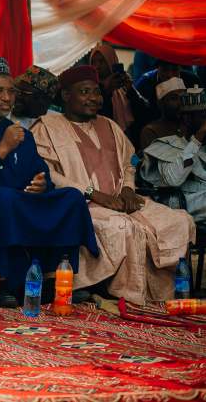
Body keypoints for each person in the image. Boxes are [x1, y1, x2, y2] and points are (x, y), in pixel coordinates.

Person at [31, 66, 195, 305]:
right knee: (124, 227)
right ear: (66, 96)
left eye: (96, 92)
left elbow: (131, 162)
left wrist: (128, 188)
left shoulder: (110, 125)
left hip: (121, 199)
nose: (94, 99)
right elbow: (49, 174)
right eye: (85, 92)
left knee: (179, 220)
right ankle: (121, 293)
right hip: (81, 204)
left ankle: (163, 293)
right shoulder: (46, 127)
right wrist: (94, 194)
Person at [0, 58, 98, 306]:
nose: (7, 98)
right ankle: (2, 280)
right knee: (3, 198)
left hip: (20, 200)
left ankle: (53, 279)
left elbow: (40, 171)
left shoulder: (20, 133)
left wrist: (42, 183)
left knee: (71, 197)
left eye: (11, 91)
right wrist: (1, 150)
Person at [141, 88, 206, 225]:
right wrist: (197, 139)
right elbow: (173, 179)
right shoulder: (166, 144)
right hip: (185, 207)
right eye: (203, 117)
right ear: (187, 119)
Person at [89, 44, 150, 145]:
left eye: (101, 61)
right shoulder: (89, 89)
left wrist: (131, 90)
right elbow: (96, 118)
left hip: (129, 142)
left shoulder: (123, 87)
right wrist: (107, 91)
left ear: (111, 61)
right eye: (93, 62)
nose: (97, 66)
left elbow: (143, 113)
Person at [134, 59, 200, 117]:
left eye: (175, 70)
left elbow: (200, 113)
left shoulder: (192, 80)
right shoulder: (144, 83)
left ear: (180, 68)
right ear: (157, 68)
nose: (170, 75)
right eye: (164, 70)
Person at [139, 77, 186, 151]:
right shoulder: (151, 131)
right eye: (174, 98)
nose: (180, 103)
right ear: (160, 104)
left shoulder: (190, 125)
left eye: (183, 98)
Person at [10, 65, 59, 130]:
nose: (17, 96)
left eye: (24, 93)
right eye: (16, 91)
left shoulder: (57, 123)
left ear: (44, 99)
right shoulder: (2, 118)